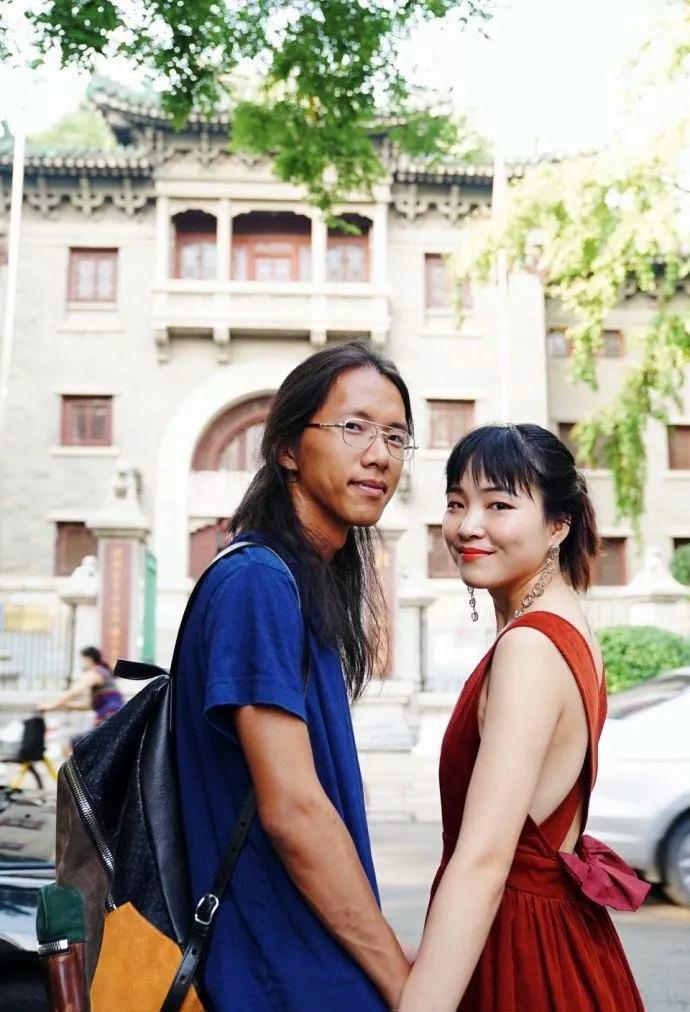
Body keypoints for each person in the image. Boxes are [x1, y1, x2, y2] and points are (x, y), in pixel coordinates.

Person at [174, 341, 415, 1011]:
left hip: (307, 963)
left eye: (396, 436)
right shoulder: (258, 583)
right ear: (286, 448)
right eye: (354, 427)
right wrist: (404, 984)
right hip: (277, 978)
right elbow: (294, 811)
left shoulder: (302, 586)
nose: (379, 455)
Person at [399, 423, 649, 1012]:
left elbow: (484, 861)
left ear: (558, 525)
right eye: (456, 503)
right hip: (551, 937)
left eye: (499, 505)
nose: (468, 526)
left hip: (523, 953)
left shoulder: (531, 647)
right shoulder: (565, 625)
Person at [38, 646, 124, 741]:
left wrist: (51, 704)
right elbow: (89, 705)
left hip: (109, 717)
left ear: (88, 659)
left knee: (73, 742)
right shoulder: (103, 672)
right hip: (113, 718)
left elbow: (74, 691)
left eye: (81, 660)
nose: (80, 664)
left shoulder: (96, 673)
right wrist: (62, 705)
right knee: (76, 743)